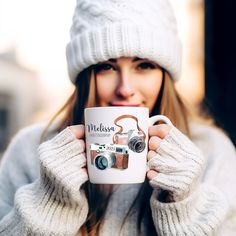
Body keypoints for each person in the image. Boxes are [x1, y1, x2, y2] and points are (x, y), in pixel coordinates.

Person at [0, 0, 236, 235]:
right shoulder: (31, 150)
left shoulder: (211, 150)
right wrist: (50, 204)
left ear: (165, 75)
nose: (125, 88)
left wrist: (186, 207)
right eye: (107, 67)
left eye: (143, 65)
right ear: (84, 76)